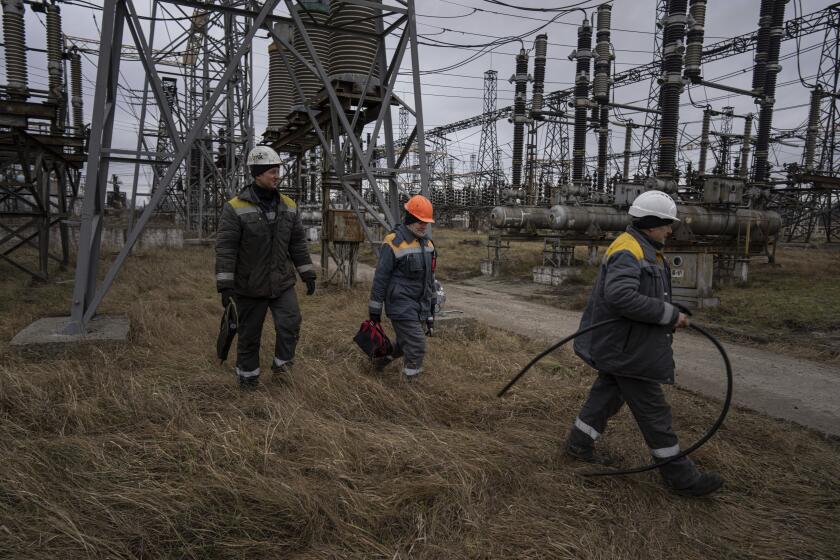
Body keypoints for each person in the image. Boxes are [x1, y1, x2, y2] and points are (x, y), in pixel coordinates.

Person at [565, 190, 724, 497]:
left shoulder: (643, 247)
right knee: (655, 413)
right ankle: (681, 478)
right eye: (667, 224)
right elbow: (621, 296)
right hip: (628, 351)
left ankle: (578, 445)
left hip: (623, 346)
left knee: (605, 398)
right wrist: (667, 314)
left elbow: (642, 293)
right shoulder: (629, 250)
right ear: (651, 223)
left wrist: (673, 312)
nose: (670, 230)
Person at [215, 145, 317, 389]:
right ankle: (248, 380)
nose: (277, 176)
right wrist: (225, 286)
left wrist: (308, 273)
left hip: (282, 282)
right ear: (258, 173)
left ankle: (283, 371)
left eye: (277, 171)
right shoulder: (235, 208)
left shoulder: (289, 206)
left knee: (290, 324)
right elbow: (226, 248)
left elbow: (297, 244)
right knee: (249, 335)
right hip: (249, 285)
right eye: (272, 171)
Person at [367, 195, 437, 380]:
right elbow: (381, 278)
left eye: (426, 222)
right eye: (420, 221)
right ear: (410, 219)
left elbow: (430, 279)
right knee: (416, 345)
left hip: (419, 304)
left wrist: (431, 310)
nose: (423, 226)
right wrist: (375, 309)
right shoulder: (393, 242)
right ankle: (411, 387)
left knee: (403, 342)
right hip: (400, 304)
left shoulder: (428, 244)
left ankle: (379, 361)